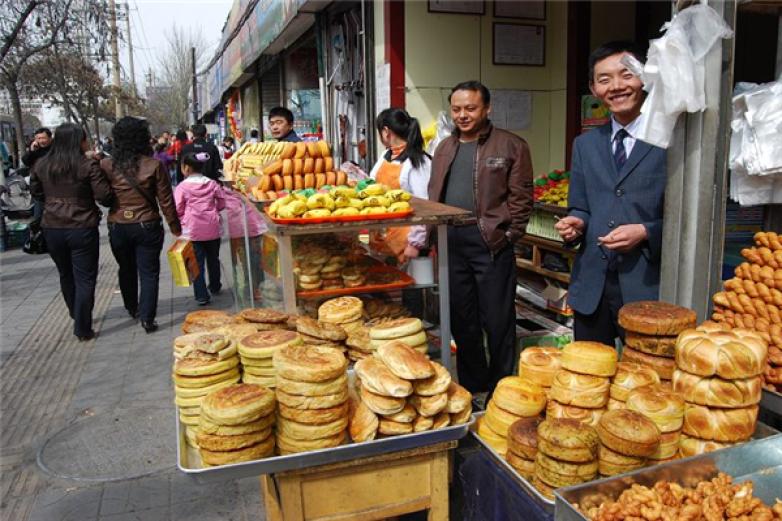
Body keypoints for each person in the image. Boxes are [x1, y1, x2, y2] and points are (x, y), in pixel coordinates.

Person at [555, 41, 666, 347]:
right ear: (593, 88)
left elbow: (692, 218)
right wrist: (575, 223)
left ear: (644, 78)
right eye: (604, 80)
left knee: (646, 380)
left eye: (626, 75)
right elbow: (581, 206)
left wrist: (646, 231)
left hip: (647, 286)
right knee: (589, 376)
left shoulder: (670, 139)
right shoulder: (585, 144)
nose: (616, 86)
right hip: (593, 284)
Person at [429, 80, 534, 395]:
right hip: (451, 242)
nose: (463, 115)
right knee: (463, 320)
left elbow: (522, 199)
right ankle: (474, 386)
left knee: (498, 320)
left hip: (490, 242)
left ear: (487, 109)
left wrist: (508, 235)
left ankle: (501, 387)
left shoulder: (511, 145)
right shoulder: (445, 147)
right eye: (457, 109)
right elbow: (435, 192)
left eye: (470, 108)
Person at [29, 123, 114, 341]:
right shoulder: (87, 165)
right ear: (79, 141)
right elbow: (104, 196)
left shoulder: (42, 165)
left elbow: (36, 192)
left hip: (52, 227)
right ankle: (83, 326)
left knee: (66, 274)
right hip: (82, 226)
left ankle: (76, 315)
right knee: (85, 277)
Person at [101, 116, 181, 333]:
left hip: (118, 225)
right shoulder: (154, 165)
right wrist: (175, 228)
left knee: (126, 268)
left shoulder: (107, 165)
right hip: (147, 224)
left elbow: (102, 196)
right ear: (143, 138)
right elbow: (166, 200)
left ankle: (131, 307)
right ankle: (148, 318)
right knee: (149, 272)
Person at [369, 107, 430, 263]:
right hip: (383, 237)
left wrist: (415, 244)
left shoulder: (417, 162)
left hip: (406, 241)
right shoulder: (385, 155)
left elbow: (424, 206)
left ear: (386, 131)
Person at [175, 152, 225, 305]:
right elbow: (222, 202)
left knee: (197, 263)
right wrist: (214, 210)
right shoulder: (212, 183)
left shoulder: (182, 187)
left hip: (193, 229)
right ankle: (215, 285)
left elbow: (177, 208)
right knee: (213, 258)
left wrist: (183, 219)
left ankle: (202, 296)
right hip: (212, 227)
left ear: (187, 168)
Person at [224, 187, 266, 302]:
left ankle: (253, 288)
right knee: (253, 260)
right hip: (251, 227)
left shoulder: (224, 192)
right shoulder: (249, 188)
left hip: (240, 230)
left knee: (247, 260)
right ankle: (256, 288)